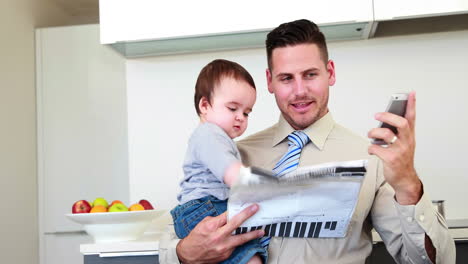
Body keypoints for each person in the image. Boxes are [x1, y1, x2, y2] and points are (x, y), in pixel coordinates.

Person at [160, 20, 455, 264]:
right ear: (270, 81)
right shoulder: (234, 154)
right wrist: (184, 254)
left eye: (310, 75)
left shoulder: (374, 160)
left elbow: (431, 261)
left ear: (330, 73)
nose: (299, 91)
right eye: (286, 78)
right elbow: (174, 240)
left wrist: (408, 185)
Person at [170, 59, 267, 264]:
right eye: (233, 108)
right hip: (203, 209)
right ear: (204, 105)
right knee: (251, 258)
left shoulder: (215, 137)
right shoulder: (210, 134)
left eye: (246, 112)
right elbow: (231, 173)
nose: (241, 117)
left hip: (204, 208)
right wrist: (267, 186)